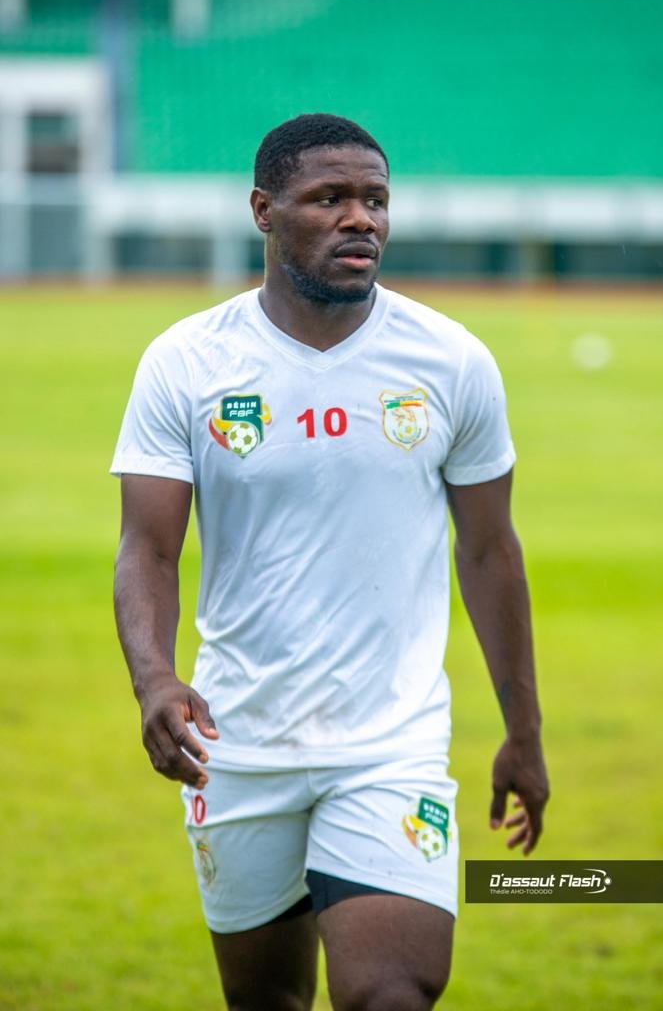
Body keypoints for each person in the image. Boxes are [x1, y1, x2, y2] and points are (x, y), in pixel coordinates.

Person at [112, 113, 549, 1011]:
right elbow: (148, 548)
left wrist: (524, 731)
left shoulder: (450, 360)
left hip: (391, 745)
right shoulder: (186, 362)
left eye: (375, 199)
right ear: (263, 211)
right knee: (267, 1000)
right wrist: (153, 679)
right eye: (330, 198)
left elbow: (489, 551)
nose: (361, 218)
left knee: (389, 994)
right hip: (235, 743)